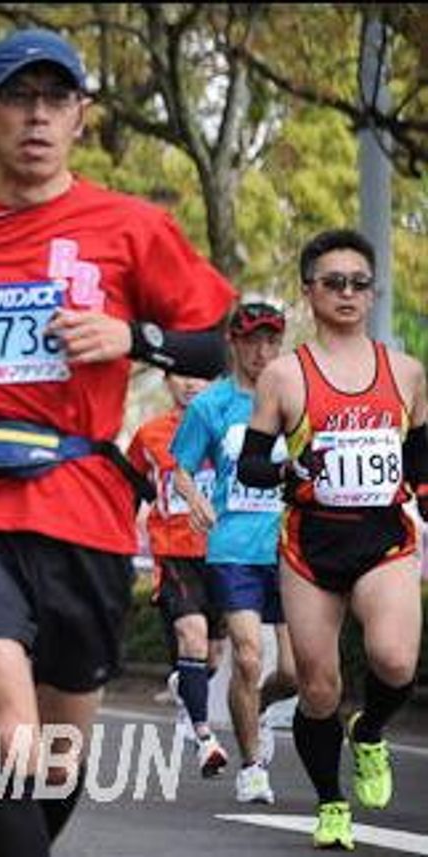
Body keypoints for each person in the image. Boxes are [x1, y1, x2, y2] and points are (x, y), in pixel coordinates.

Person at [0, 28, 236, 856]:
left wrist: (131, 335)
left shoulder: (132, 226)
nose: (36, 118)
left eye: (54, 100)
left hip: (82, 504)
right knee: (12, 734)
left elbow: (212, 343)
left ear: (82, 115)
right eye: (17, 99)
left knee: (61, 751)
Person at [238, 228, 427, 850]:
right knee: (318, 687)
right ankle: (331, 804)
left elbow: (420, 460)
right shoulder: (284, 376)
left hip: (383, 541)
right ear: (309, 292)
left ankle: (369, 732)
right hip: (310, 548)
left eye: (359, 283)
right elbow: (251, 467)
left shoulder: (406, 371)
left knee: (395, 659)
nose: (347, 293)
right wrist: (289, 472)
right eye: (333, 282)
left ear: (372, 293)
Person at [170, 301, 299, 804]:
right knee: (247, 657)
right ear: (234, 342)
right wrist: (197, 498)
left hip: (290, 549)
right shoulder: (212, 405)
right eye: (252, 342)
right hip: (234, 547)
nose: (262, 352)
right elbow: (180, 467)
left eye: (271, 341)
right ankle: (252, 768)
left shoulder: (294, 395)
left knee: (294, 674)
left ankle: (256, 708)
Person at [127, 372, 230, 777]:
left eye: (202, 377)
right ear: (167, 381)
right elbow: (134, 487)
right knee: (193, 635)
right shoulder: (150, 434)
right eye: (181, 376)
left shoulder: (232, 428)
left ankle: (189, 691)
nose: (191, 384)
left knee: (215, 654)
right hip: (174, 554)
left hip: (224, 554)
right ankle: (204, 737)